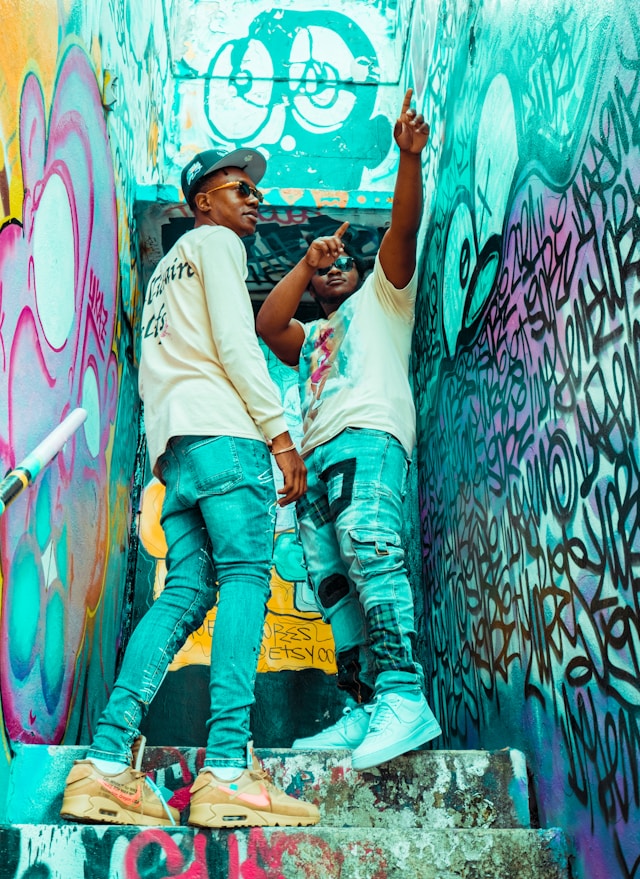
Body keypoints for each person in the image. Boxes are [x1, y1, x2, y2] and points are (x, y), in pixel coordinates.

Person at [60, 147, 319, 828]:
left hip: (175, 452)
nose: (255, 199)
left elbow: (158, 367)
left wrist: (165, 455)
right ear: (203, 202)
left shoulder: (166, 273)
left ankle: (107, 762)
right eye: (239, 188)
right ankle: (228, 768)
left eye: (255, 190)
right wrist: (280, 436)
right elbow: (237, 343)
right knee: (246, 579)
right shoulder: (217, 244)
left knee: (184, 593)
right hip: (227, 439)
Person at [256, 89, 442, 771]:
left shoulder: (383, 299)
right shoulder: (312, 335)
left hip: (369, 438)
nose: (334, 269)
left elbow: (403, 229)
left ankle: (403, 694)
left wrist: (408, 158)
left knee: (371, 550)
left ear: (363, 273)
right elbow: (268, 325)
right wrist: (304, 263)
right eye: (325, 269)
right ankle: (364, 704)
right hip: (316, 462)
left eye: (343, 263)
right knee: (334, 585)